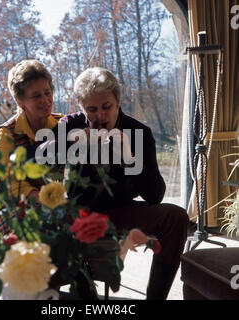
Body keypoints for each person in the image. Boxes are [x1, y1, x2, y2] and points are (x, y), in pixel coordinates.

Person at [30, 67, 189, 300]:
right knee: (44, 230)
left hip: (120, 211)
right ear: (82, 107)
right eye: (91, 109)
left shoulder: (139, 132)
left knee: (176, 217)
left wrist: (129, 158)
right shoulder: (71, 125)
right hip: (78, 212)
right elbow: (35, 159)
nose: (100, 116)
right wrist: (66, 143)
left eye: (107, 107)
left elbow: (155, 195)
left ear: (118, 102)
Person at [0, 59, 63, 203]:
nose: (45, 100)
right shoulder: (7, 133)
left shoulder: (62, 123)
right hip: (25, 209)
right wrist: (39, 198)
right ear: (20, 101)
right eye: (36, 96)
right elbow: (5, 180)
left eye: (47, 92)